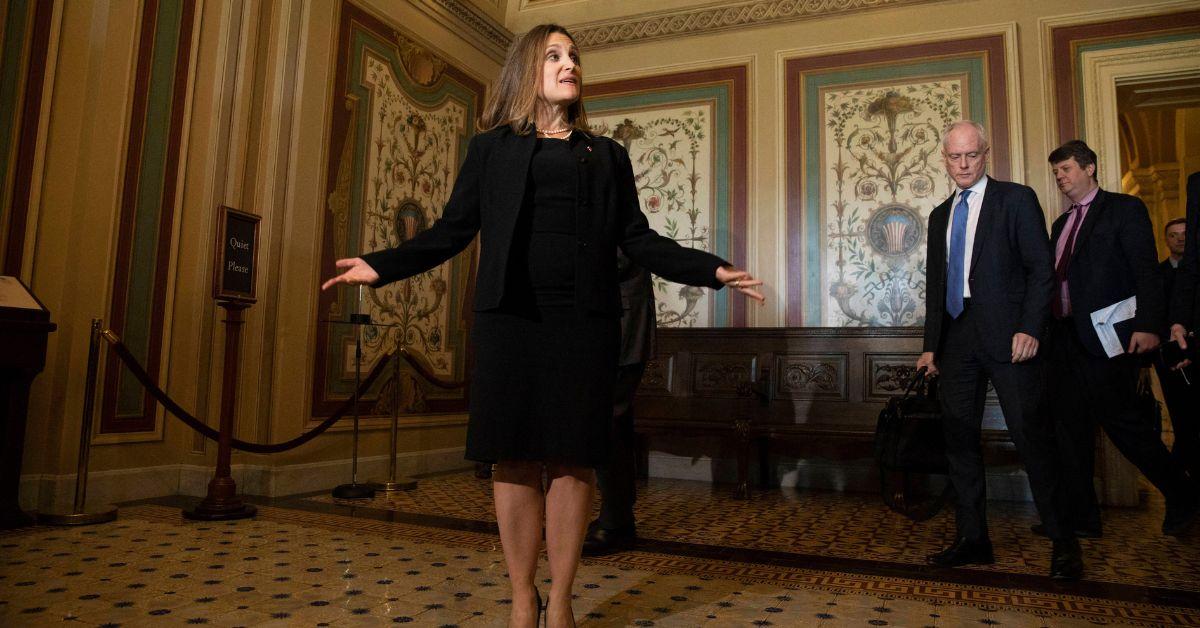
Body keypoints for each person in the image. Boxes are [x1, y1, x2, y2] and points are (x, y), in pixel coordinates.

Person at [321, 24, 765, 628]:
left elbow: (638, 239)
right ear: (526, 70)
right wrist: (381, 265)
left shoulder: (607, 156)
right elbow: (452, 231)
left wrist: (712, 270)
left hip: (583, 325)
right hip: (510, 320)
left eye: (574, 56)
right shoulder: (491, 149)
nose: (570, 64)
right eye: (554, 55)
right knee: (513, 458)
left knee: (573, 459)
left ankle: (560, 599)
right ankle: (522, 593)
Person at [917, 120, 1080, 579]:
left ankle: (1063, 541)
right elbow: (936, 287)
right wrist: (932, 347)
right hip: (957, 340)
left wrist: (1031, 328)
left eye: (971, 155)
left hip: (1011, 338)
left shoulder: (1016, 199)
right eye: (954, 156)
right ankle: (973, 539)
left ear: (986, 154)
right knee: (959, 440)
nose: (963, 165)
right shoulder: (938, 216)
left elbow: (1041, 270)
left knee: (1031, 436)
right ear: (944, 158)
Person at [1043, 140, 1198, 542]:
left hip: (1106, 339)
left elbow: (1146, 270)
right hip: (1063, 341)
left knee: (1124, 424)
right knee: (1069, 430)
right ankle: (1082, 517)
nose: (1060, 177)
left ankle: (1182, 495)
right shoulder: (1061, 225)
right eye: (1056, 172)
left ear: (1090, 167)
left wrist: (1148, 325)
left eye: (1066, 169)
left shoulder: (1123, 209)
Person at [582, 251, 652, 556]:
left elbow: (613, 259)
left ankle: (616, 522)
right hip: (618, 325)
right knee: (614, 423)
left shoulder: (613, 204)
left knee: (606, 420)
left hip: (622, 328)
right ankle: (618, 517)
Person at [1155, 217, 1198, 480]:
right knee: (1178, 409)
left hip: (1195, 350)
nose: (1180, 239)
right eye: (1174, 235)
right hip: (1167, 354)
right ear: (1166, 240)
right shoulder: (1159, 274)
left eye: (1184, 234)